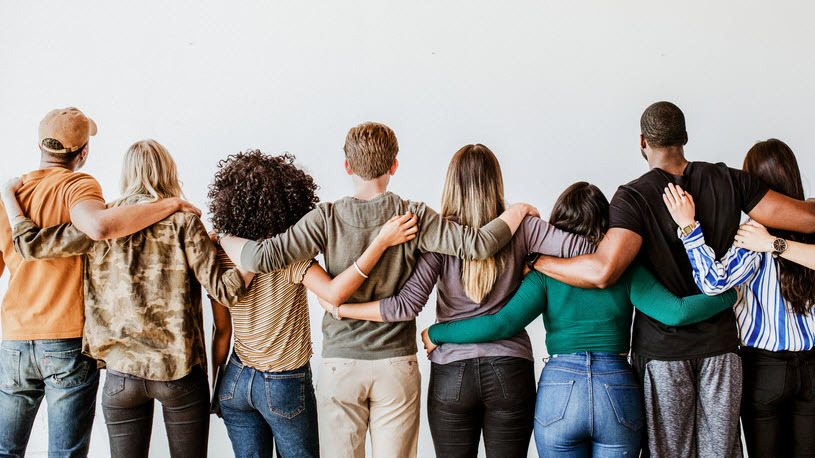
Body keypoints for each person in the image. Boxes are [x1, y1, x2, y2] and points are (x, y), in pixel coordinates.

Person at [217, 123, 539, 458]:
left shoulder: (324, 219)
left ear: (347, 166)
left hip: (340, 364)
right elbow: (479, 244)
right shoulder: (413, 216)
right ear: (394, 165)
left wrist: (223, 237)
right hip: (395, 364)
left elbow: (259, 256)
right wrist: (516, 211)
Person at [528, 102, 815, 457]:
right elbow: (808, 219)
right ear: (685, 138)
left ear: (642, 141)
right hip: (721, 350)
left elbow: (604, 272)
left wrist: (538, 261)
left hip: (663, 354)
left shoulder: (632, 196)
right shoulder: (730, 180)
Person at [421, 181, 737, 457]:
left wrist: (437, 333)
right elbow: (676, 311)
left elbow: (499, 325)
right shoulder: (622, 269)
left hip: (561, 390)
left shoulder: (545, 272)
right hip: (617, 388)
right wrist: (730, 295)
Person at [316, 144, 593, 457]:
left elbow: (404, 306)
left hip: (452, 373)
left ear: (451, 183)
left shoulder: (440, 236)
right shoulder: (524, 226)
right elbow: (586, 248)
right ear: (496, 182)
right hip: (511, 370)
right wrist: (537, 262)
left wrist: (341, 308)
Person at [5, 139, 249, 458]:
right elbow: (226, 291)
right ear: (169, 171)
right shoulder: (184, 221)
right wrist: (251, 257)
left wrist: (9, 197)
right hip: (178, 371)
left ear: (127, 174)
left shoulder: (102, 221)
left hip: (121, 375)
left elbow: (31, 245)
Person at [207, 150, 418, 457]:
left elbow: (221, 331)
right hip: (284, 382)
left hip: (235, 379)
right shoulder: (292, 255)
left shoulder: (221, 254)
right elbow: (334, 292)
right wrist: (380, 243)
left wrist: (217, 388)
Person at [662, 138, 815, 457]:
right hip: (812, 368)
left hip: (764, 369)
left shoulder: (751, 234)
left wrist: (689, 228)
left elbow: (713, 282)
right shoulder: (810, 223)